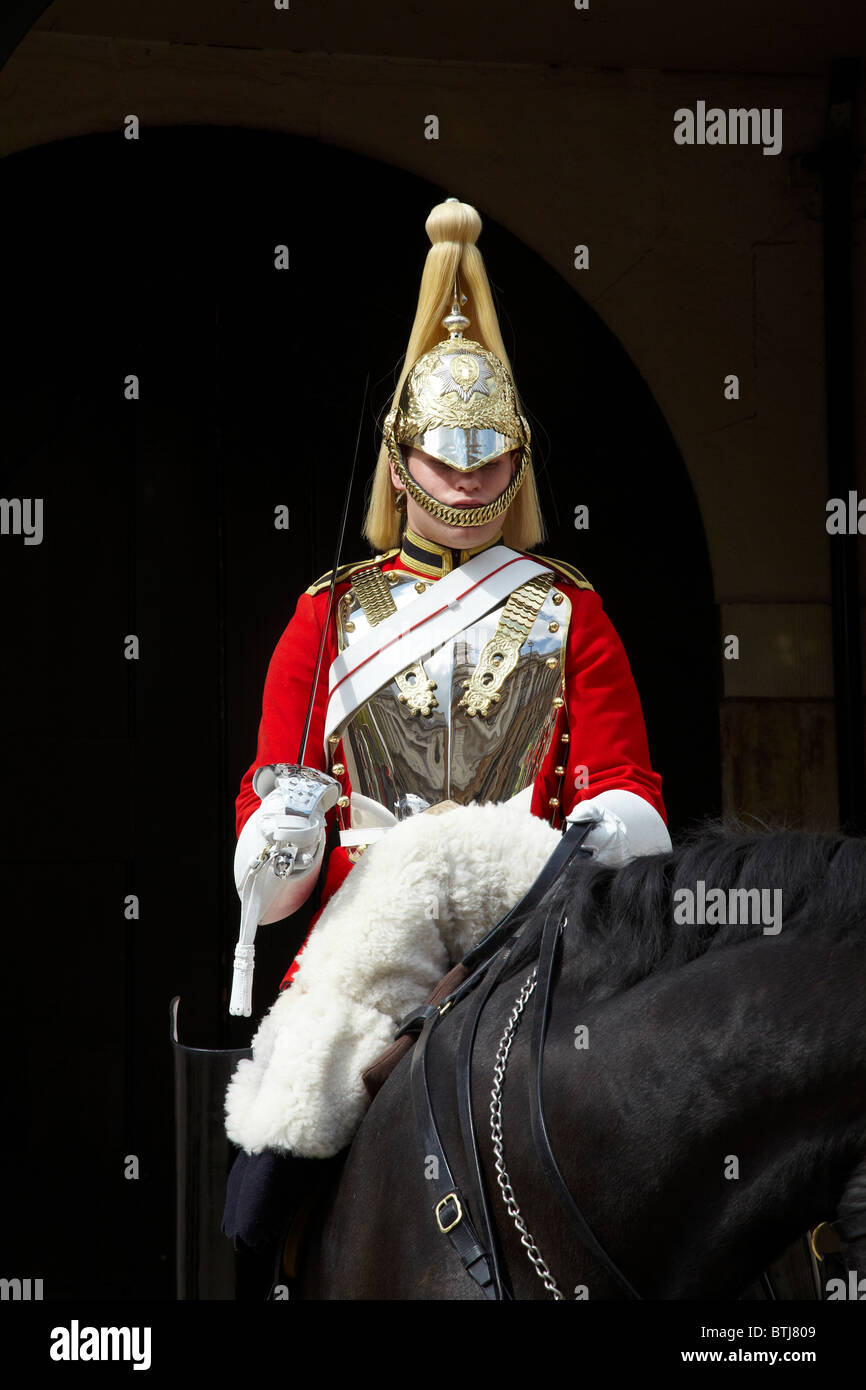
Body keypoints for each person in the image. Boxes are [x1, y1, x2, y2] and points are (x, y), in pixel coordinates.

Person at [222, 197, 670, 1256]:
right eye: (442, 457)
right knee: (260, 1192)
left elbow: (629, 784)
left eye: (485, 457)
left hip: (535, 921)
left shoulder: (568, 609)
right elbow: (268, 809)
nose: (465, 479)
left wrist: (605, 825)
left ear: (514, 463)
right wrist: (276, 840)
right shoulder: (327, 613)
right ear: (398, 461)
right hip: (365, 929)